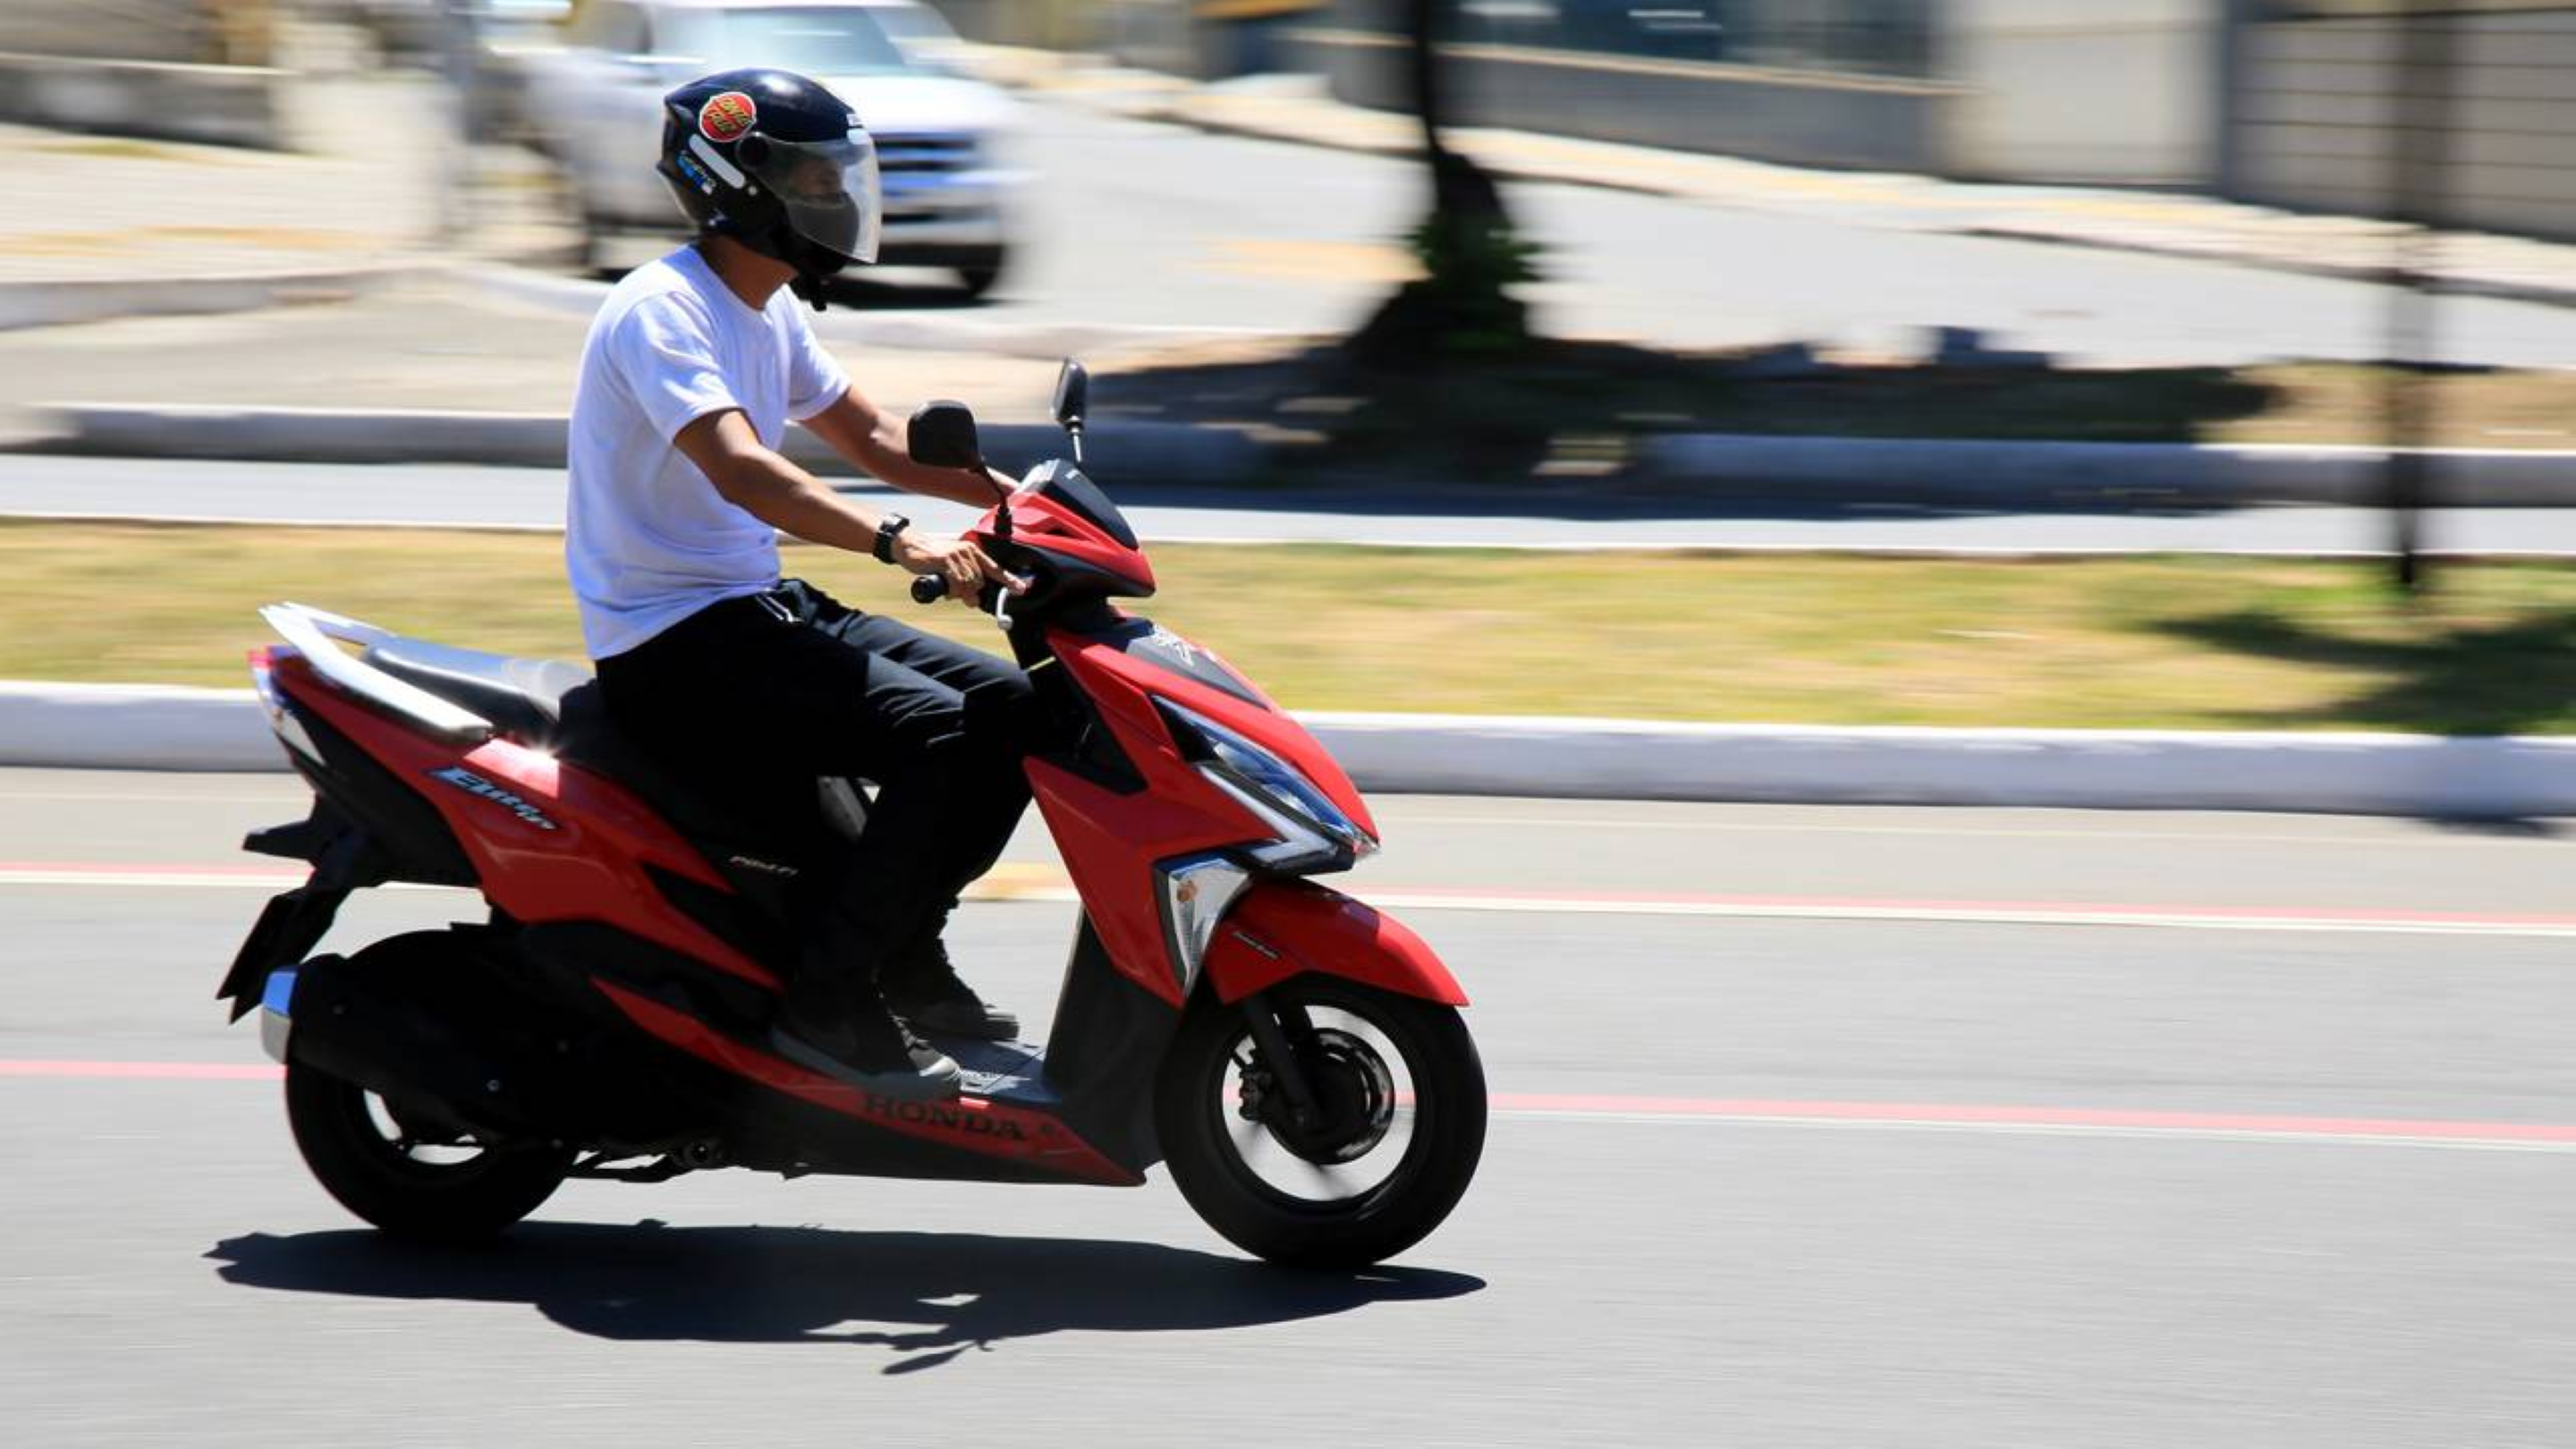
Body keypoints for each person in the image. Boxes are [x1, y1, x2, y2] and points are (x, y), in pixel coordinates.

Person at [564, 67, 1029, 1100]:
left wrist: (1019, 506)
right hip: (671, 641)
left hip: (752, 609)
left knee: (1013, 707)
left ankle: (904, 953)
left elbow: (874, 437)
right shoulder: (663, 311)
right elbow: (743, 466)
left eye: (836, 175)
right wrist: (897, 543)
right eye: (814, 177)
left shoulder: (767, 310)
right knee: (937, 732)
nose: (835, 195)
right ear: (742, 183)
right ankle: (830, 1000)